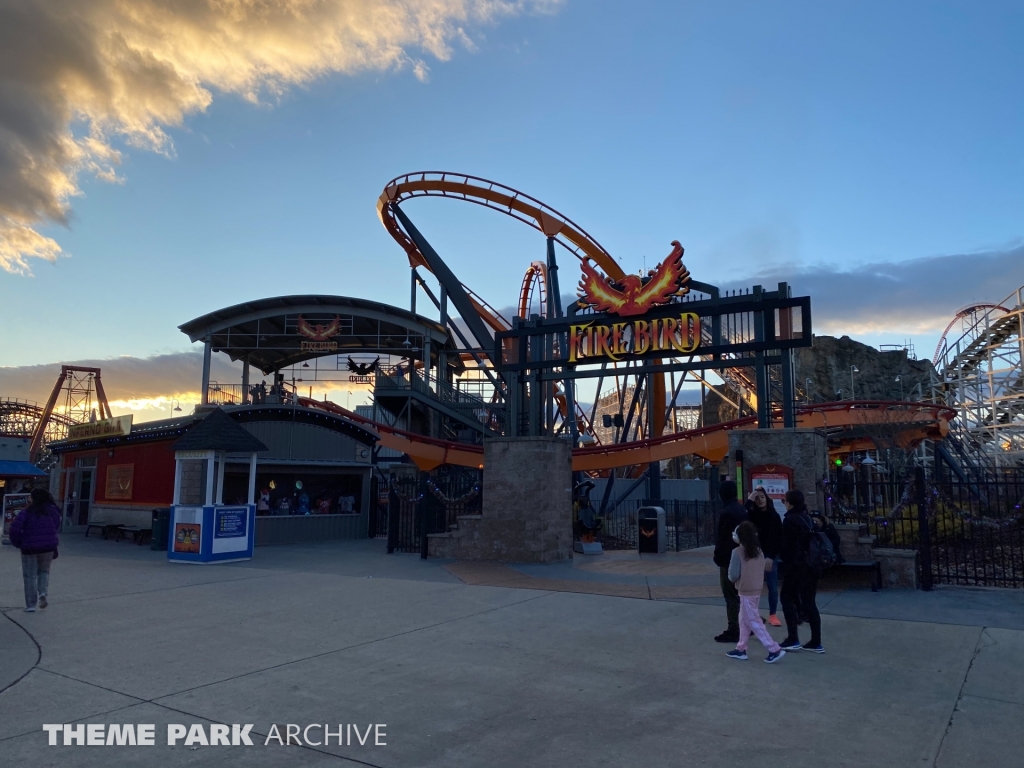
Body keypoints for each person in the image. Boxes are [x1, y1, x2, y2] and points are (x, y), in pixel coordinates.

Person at [726, 521, 785, 664]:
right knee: (744, 619)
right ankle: (741, 648)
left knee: (753, 620)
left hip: (745, 590)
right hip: (756, 589)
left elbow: (733, 574)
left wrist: (733, 580)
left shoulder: (737, 552)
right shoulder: (759, 551)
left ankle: (773, 649)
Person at [778, 489, 824, 653]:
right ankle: (816, 641)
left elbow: (787, 547)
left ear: (789, 503)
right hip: (812, 565)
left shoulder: (790, 520)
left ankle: (793, 638)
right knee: (810, 602)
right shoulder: (808, 519)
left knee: (786, 597)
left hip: (797, 566)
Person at [9, 488, 61, 613]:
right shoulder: (53, 511)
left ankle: (31, 604)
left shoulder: (26, 512)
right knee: (44, 571)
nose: (29, 498)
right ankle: (43, 593)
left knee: (30, 575)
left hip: (29, 548)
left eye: (31, 496)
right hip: (48, 547)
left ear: (34, 498)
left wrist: (18, 543)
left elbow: (14, 529)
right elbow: (56, 527)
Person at [713, 481, 748, 643]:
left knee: (730, 594)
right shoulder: (742, 510)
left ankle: (734, 628)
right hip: (743, 556)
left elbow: (723, 538)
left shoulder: (726, 512)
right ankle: (745, 624)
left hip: (728, 558)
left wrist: (718, 556)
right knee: (740, 593)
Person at [746, 488, 783, 626]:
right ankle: (753, 614)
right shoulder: (751, 515)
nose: (760, 500)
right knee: (753, 587)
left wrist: (772, 556)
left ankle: (772, 614)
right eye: (757, 498)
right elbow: (742, 517)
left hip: (769, 556)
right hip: (754, 555)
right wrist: (749, 499)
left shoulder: (774, 516)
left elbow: (779, 538)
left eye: (762, 497)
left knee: (772, 587)